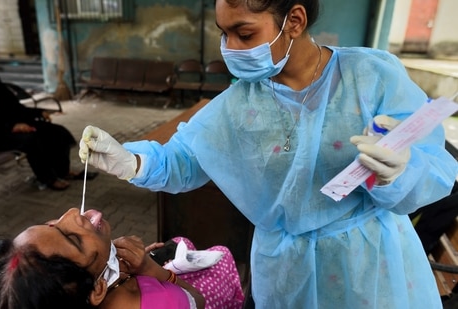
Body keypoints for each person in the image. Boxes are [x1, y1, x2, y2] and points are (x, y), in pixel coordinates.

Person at [78, 1, 458, 308]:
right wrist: (133, 162)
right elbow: (186, 157)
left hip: (370, 263)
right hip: (286, 269)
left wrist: (402, 171)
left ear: (294, 20)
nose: (230, 48)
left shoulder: (370, 76)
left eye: (244, 33)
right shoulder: (240, 101)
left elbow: (433, 164)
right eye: (224, 34)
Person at [0, 207, 244, 308]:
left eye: (51, 224)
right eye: (71, 238)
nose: (73, 213)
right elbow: (196, 300)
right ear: (97, 289)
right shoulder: (164, 302)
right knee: (218, 256)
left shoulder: (86, 289)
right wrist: (153, 269)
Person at [0, 58, 78, 190]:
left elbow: (18, 110)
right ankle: (48, 179)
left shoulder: (2, 89)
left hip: (17, 127)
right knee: (32, 140)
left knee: (57, 131)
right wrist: (11, 127)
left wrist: (39, 112)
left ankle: (62, 171)